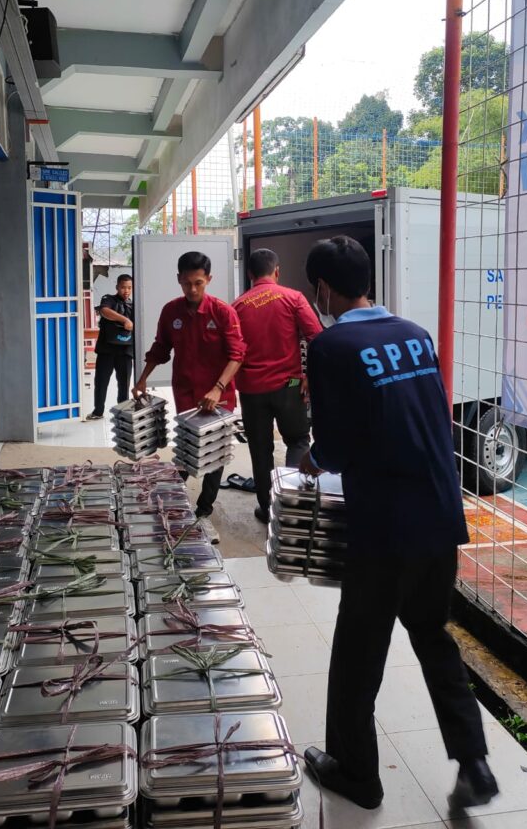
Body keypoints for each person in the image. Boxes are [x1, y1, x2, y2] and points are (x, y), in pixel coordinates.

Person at [299, 235, 497, 813]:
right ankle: (474, 762)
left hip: (383, 526)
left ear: (323, 289)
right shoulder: (416, 334)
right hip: (439, 514)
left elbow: (335, 447)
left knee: (358, 652)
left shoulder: (330, 346)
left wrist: (309, 460)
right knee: (433, 636)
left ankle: (357, 773)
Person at [133, 251, 246, 543]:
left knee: (214, 455)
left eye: (198, 283)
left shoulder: (223, 312)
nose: (192, 289)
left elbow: (237, 355)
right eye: (186, 283)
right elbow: (160, 348)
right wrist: (142, 379)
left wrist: (218, 387)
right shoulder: (171, 311)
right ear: (179, 280)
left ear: (208, 279)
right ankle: (173, 501)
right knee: (186, 449)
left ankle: (204, 510)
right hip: (185, 394)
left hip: (219, 397)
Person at [232, 248, 322, 523]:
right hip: (290, 386)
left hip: (251, 391)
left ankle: (267, 508)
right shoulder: (293, 298)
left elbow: (231, 350)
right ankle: (292, 504)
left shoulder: (237, 306)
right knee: (297, 440)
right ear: (277, 271)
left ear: (250, 274)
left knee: (260, 450)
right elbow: (317, 336)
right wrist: (310, 375)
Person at [86, 273, 134, 418]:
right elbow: (104, 311)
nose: (126, 291)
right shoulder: (108, 299)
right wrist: (125, 320)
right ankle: (98, 411)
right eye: (123, 287)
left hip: (125, 351)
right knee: (101, 382)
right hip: (106, 351)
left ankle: (122, 412)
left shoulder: (134, 304)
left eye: (129, 287)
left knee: (124, 384)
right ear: (117, 287)